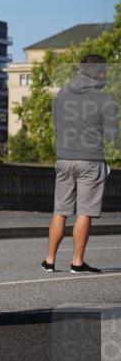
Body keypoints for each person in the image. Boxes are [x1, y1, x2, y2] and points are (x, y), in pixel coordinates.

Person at [44, 54, 118, 274]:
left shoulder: (61, 95)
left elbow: (57, 126)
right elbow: (113, 136)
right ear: (100, 73)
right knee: (84, 211)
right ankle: (77, 262)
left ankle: (49, 260)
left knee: (60, 210)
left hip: (64, 158)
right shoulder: (105, 98)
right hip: (90, 159)